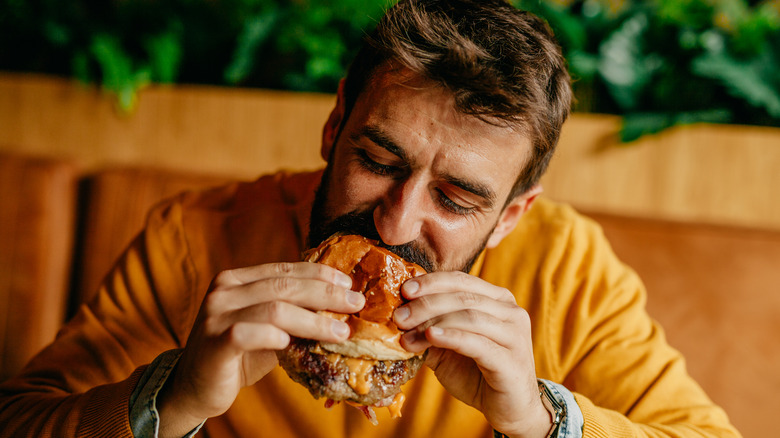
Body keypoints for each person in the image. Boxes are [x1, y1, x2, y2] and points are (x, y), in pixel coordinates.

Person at [0, 0, 740, 437]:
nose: (394, 225)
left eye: (456, 200)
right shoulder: (195, 235)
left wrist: (544, 421)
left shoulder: (567, 267)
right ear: (334, 129)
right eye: (380, 162)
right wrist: (172, 394)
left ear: (512, 215)